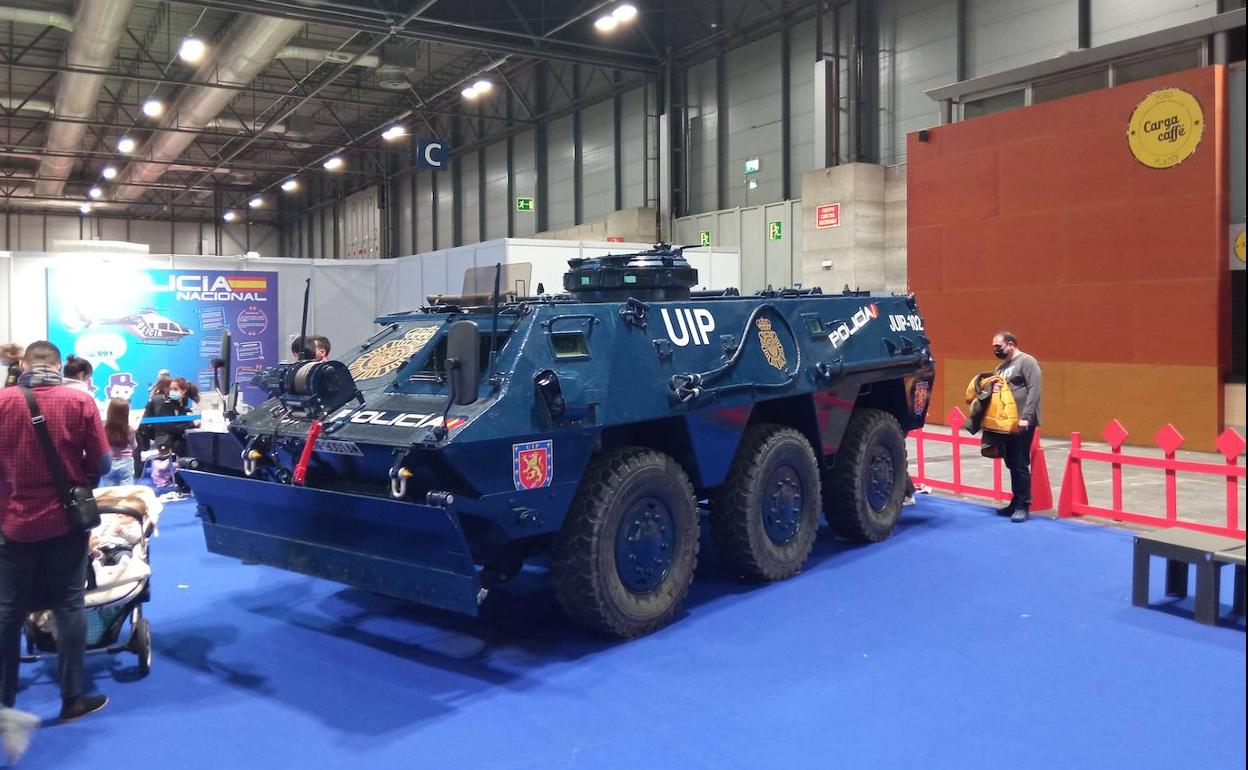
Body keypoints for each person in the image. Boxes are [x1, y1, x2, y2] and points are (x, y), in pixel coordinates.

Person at [0, 341, 110, 723]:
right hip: (67, 523)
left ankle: (4, 701)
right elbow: (104, 460)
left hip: (13, 523)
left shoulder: (2, 402)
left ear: (25, 365)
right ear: (60, 365)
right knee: (68, 605)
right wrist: (81, 480)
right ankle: (72, 699)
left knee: (8, 611)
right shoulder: (79, 402)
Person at [991, 331, 1042, 523]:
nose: (996, 350)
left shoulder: (1027, 362)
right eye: (994, 347)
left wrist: (1026, 417)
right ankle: (1015, 501)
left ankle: (1023, 505)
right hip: (1006, 422)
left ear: (1011, 344)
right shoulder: (1001, 367)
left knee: (1020, 462)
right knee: (1011, 462)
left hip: (1022, 421)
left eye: (999, 346)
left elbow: (1034, 389)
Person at [100, 398, 136, 488]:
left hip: (109, 462)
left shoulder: (103, 429)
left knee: (110, 493)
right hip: (126, 462)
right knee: (127, 493)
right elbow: (134, 446)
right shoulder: (130, 429)